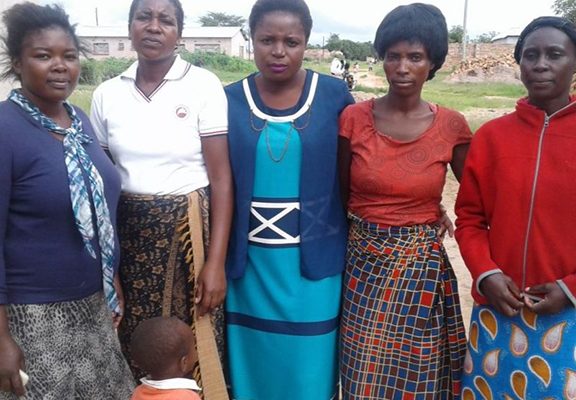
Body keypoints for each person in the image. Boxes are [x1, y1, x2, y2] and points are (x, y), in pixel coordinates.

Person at [89, 0, 232, 396]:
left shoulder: (202, 85)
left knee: (189, 340)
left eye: (165, 20)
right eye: (144, 17)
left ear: (179, 33)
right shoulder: (107, 94)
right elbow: (104, 181)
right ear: (130, 27)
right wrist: (111, 264)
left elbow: (221, 179)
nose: (153, 27)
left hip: (187, 238)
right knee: (136, 338)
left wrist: (216, 263)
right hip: (129, 236)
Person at [0, 2, 134, 399]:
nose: (60, 66)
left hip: (92, 306)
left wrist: (111, 275)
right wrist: (1, 339)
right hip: (32, 316)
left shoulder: (78, 121)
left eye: (69, 56)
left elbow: (97, 210)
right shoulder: (6, 128)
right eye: (43, 56)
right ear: (18, 62)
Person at [338, 3, 471, 399]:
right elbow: (338, 195)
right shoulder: (353, 119)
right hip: (362, 268)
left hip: (421, 272)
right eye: (392, 56)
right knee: (362, 373)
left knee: (420, 373)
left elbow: (478, 198)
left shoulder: (451, 126)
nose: (402, 67)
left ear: (433, 63)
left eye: (415, 57)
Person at [224, 0, 354, 398]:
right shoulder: (228, 99)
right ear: (252, 40)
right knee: (254, 369)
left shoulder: (334, 96)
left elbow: (359, 167)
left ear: (306, 43)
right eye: (267, 40)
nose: (278, 51)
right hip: (250, 269)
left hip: (312, 267)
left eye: (291, 42)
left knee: (307, 371)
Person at [455, 16, 576, 398]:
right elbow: (469, 218)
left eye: (554, 54)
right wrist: (485, 274)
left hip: (570, 313)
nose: (540, 64)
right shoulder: (492, 138)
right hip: (499, 311)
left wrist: (570, 289)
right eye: (530, 55)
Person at [131, 316, 201, 400]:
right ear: (184, 363)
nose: (196, 352)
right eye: (194, 348)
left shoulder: (138, 392)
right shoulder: (188, 397)